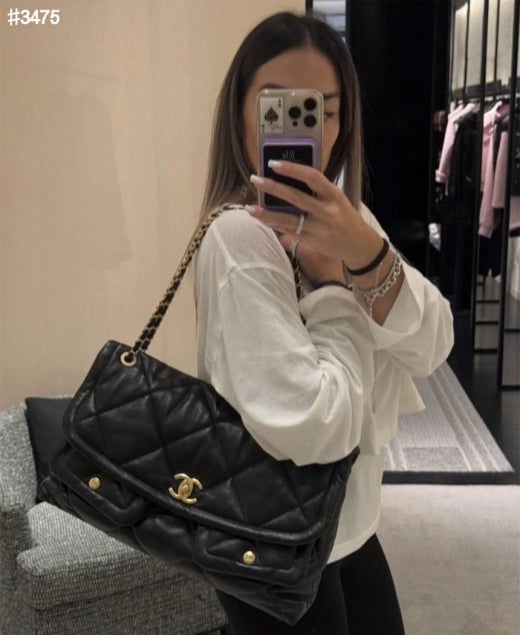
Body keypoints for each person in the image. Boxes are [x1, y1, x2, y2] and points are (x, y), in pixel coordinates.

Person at [193, 11, 454, 635]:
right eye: (276, 105)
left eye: (321, 109)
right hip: (271, 534)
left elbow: (433, 343)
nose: (302, 125)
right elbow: (318, 428)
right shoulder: (240, 237)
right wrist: (336, 287)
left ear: (343, 120)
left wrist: (365, 251)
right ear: (241, 114)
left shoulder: (350, 221)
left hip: (348, 522)